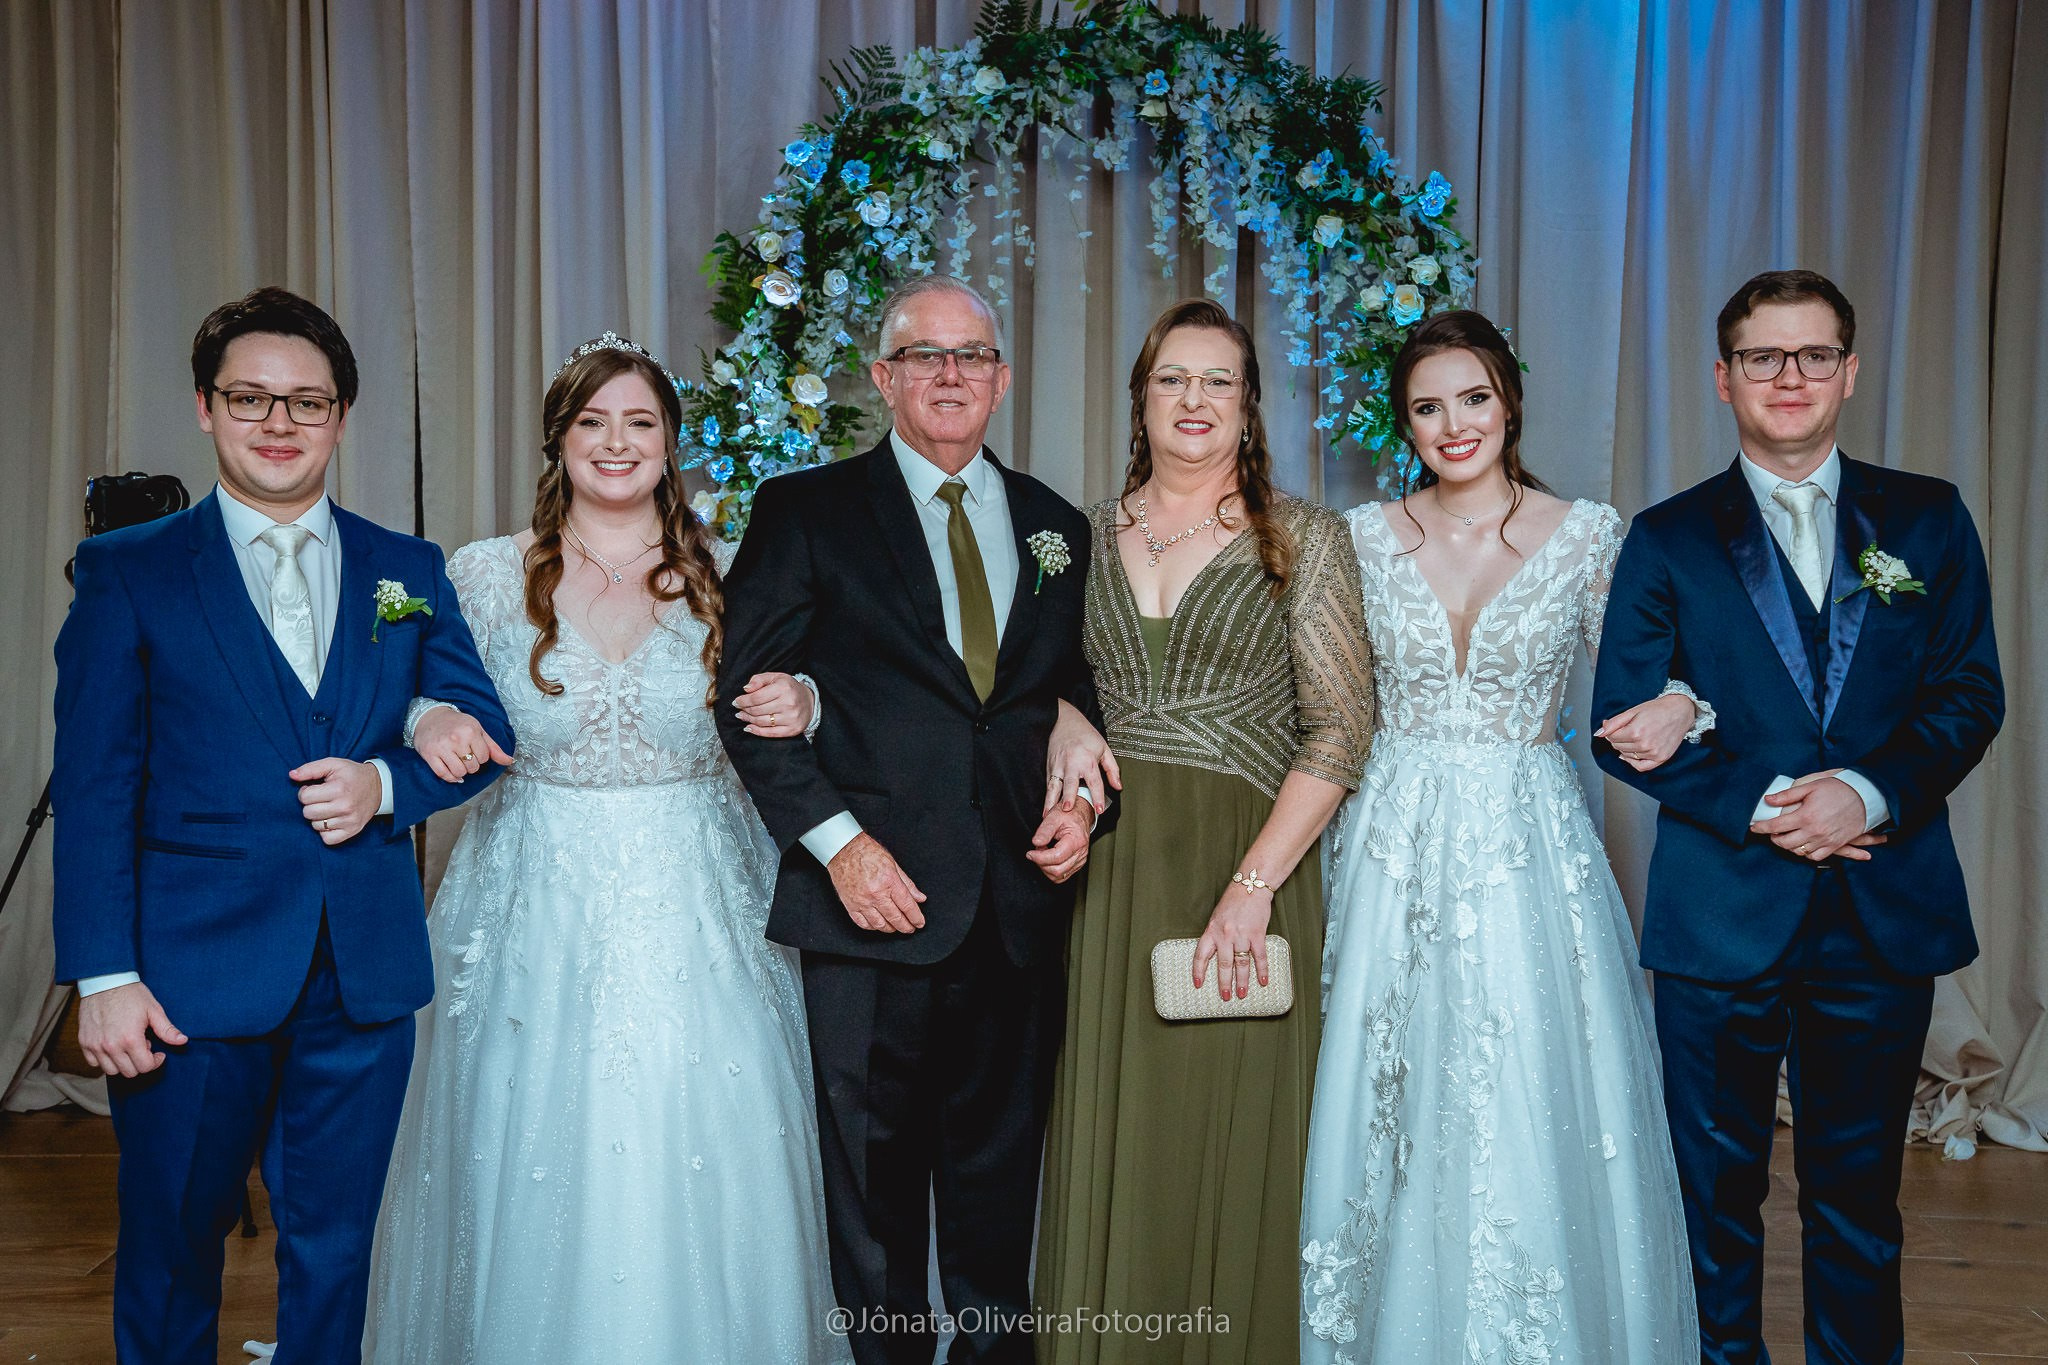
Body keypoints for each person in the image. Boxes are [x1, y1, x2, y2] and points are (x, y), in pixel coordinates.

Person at [362, 335, 847, 1362]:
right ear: (559, 440)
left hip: (701, 895)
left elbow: (839, 676)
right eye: (592, 421)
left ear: (671, 442)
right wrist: (420, 722)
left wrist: (805, 699)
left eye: (639, 422)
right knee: (525, 1134)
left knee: (705, 1128)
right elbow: (403, 683)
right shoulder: (484, 574)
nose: (615, 443)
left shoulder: (728, 563)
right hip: (531, 894)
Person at [51, 287, 511, 1363]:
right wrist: (102, 973)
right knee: (169, 1250)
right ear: (207, 409)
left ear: (341, 417)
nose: (278, 422)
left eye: (306, 402)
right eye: (250, 397)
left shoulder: (407, 568)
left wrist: (387, 786)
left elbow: (473, 722)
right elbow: (93, 786)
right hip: (183, 978)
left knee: (338, 1252)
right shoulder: (132, 571)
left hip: (361, 971)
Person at [1592, 270, 2003, 1364]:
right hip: (1720, 913)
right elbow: (1620, 722)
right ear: (1722, 380)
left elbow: (1969, 693)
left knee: (1858, 1205)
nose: (1789, 377)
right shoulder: (1667, 537)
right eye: (1763, 358)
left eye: (1811, 355)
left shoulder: (1926, 518)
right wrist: (1776, 808)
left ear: (1848, 373)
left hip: (1883, 909)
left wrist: (1863, 795)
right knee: (1714, 1211)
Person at [1297, 310, 1702, 1363]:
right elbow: (1318, 700)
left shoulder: (1585, 534)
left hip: (1526, 838)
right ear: (1404, 422)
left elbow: (1655, 676)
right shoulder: (1357, 538)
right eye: (1426, 407)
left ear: (1507, 403)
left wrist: (1684, 707)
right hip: (1388, 835)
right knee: (1384, 1076)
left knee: (1522, 1080)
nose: (1452, 424)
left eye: (1470, 398)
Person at [714, 276, 1103, 1365]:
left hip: (1017, 910)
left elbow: (1070, 692)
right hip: (868, 905)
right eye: (921, 355)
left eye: (970, 354)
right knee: (876, 1213)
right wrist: (840, 848)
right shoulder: (806, 511)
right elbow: (745, 704)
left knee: (995, 1199)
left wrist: (1079, 804)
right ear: (882, 379)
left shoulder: (1053, 526)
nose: (948, 373)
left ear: (1001, 378)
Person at [1031, 298, 1376, 1364]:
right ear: (1140, 398)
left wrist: (1253, 884)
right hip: (1108, 867)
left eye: (1216, 380)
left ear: (1248, 405)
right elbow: (1018, 683)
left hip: (1246, 862)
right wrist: (1065, 716)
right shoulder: (1071, 536)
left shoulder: (1301, 538)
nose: (1193, 400)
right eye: (1171, 378)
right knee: (1115, 1136)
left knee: (1226, 1141)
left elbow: (1342, 725)